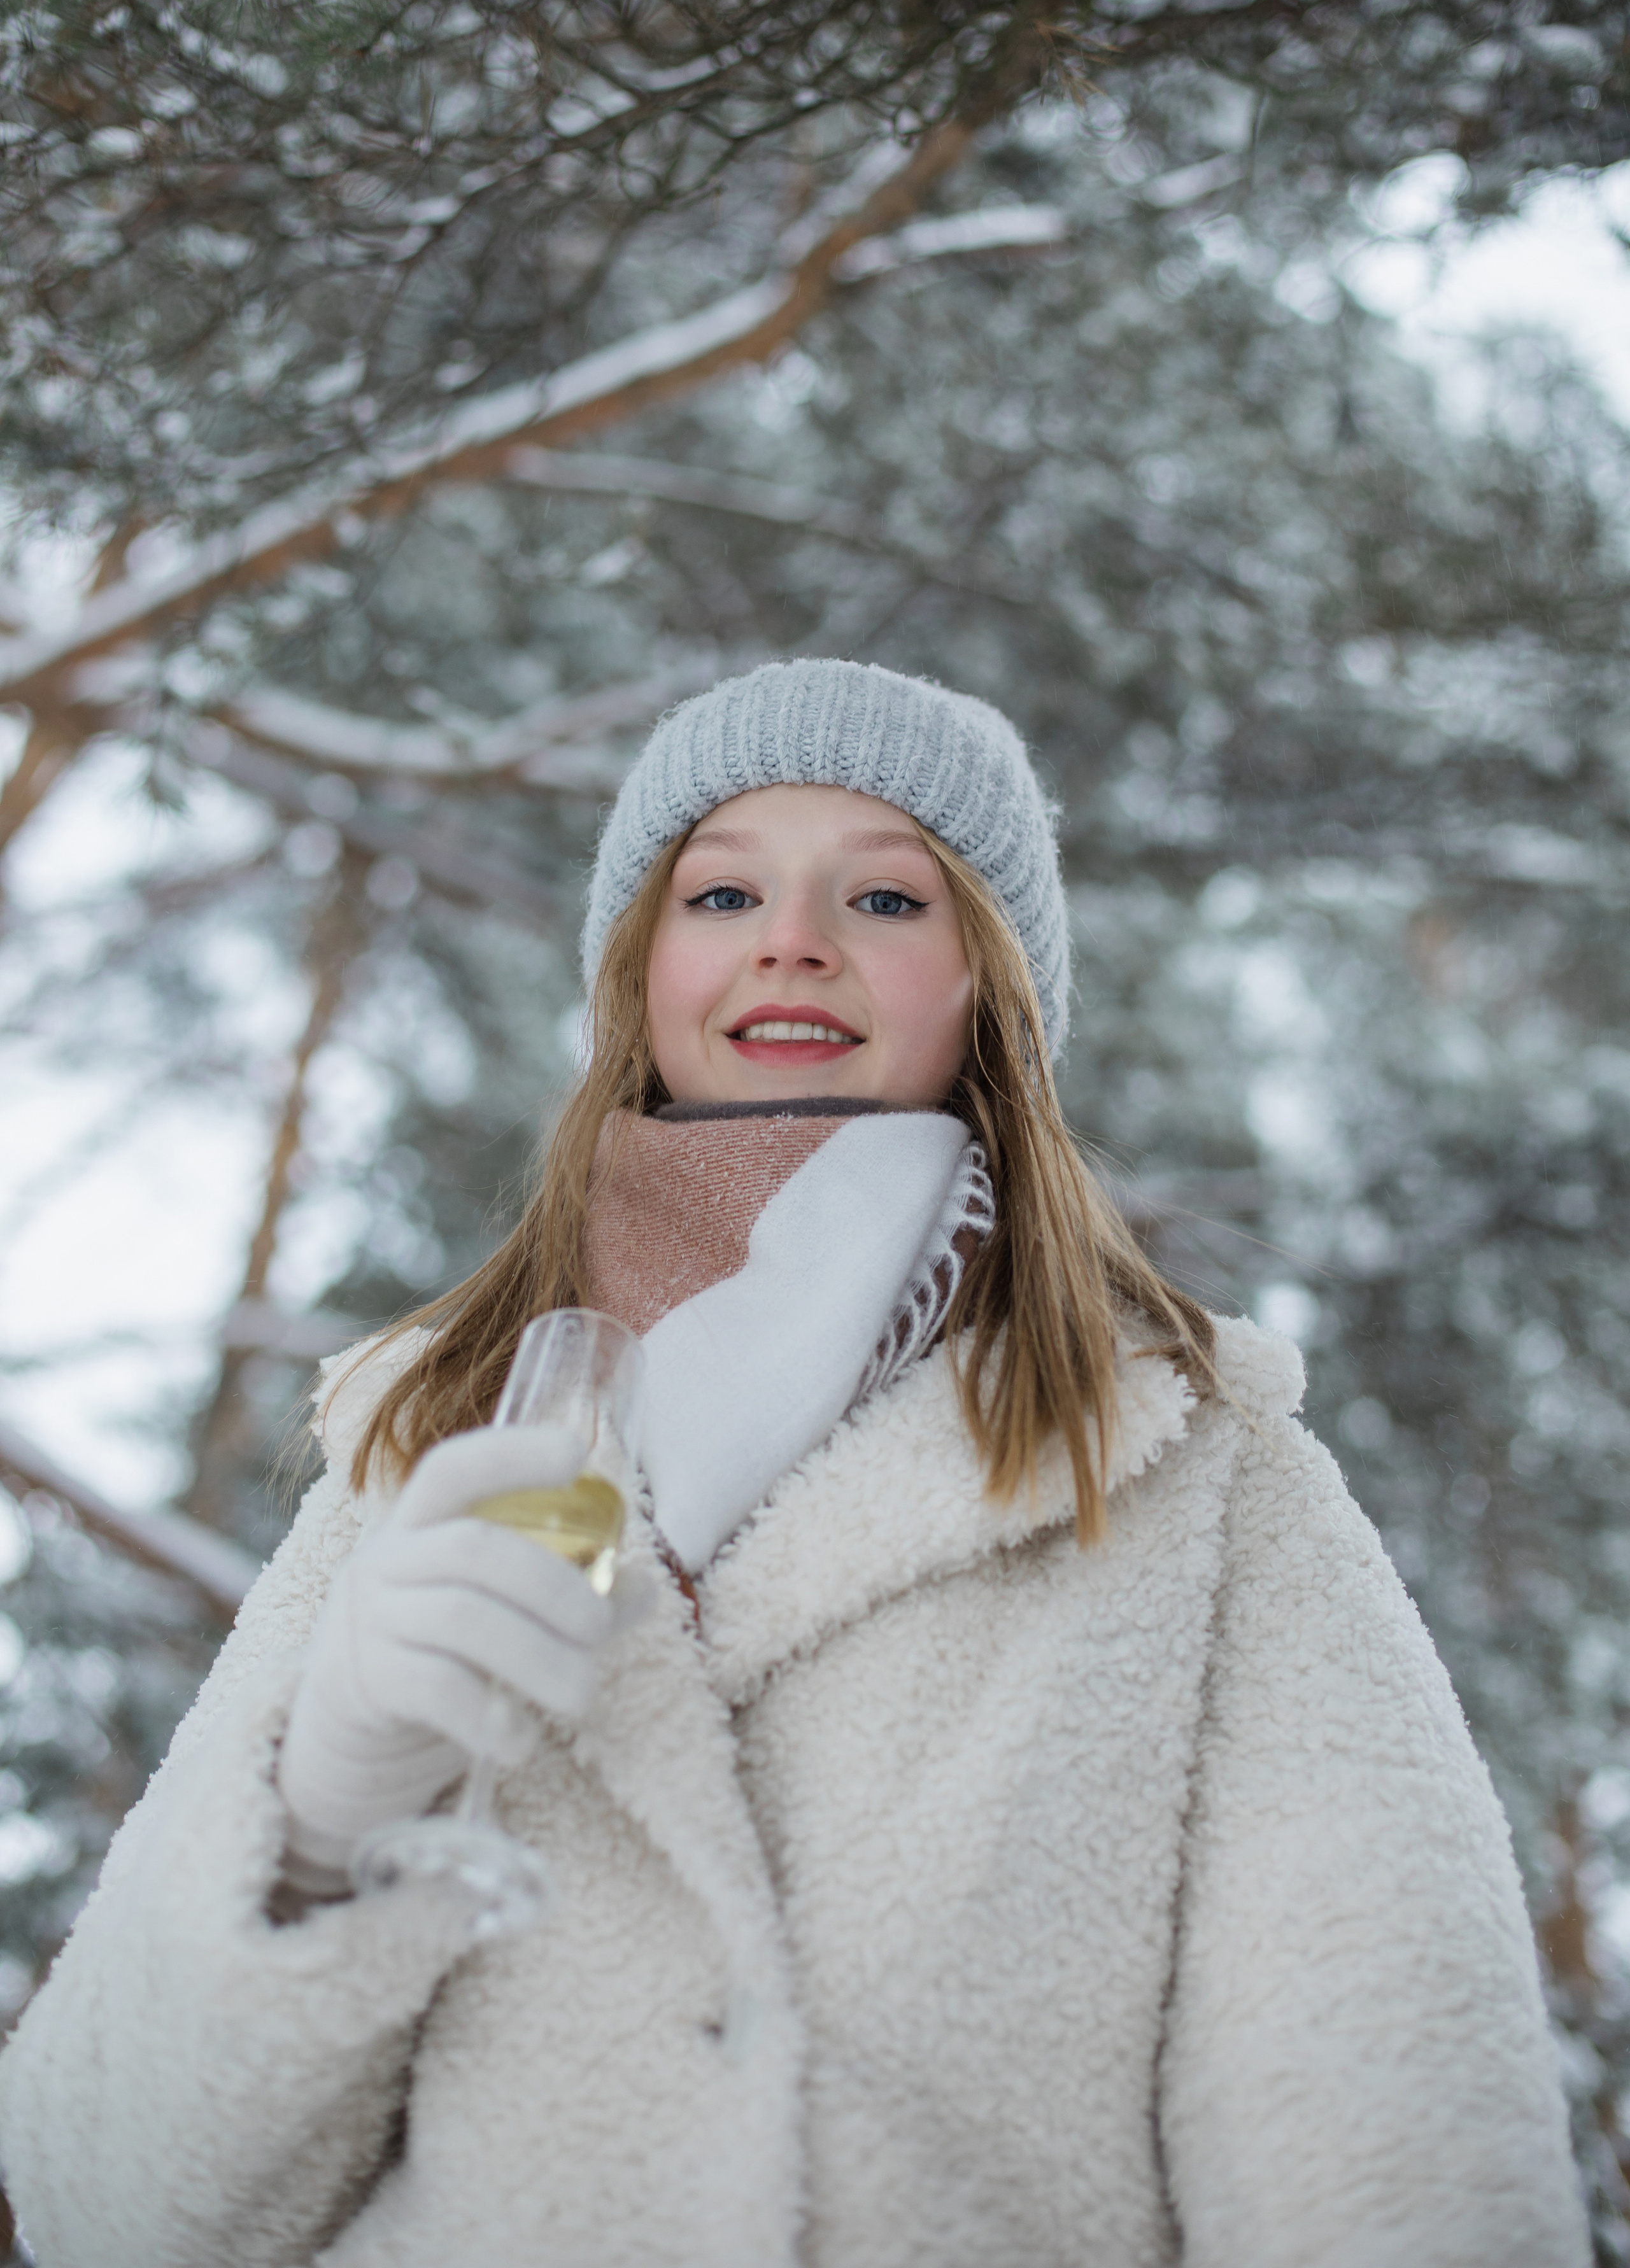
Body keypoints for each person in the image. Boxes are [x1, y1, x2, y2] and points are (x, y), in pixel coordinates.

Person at [0, 659, 1587, 2267]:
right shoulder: (435, 1443)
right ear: (640, 973)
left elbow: (1388, 2111)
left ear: (989, 988)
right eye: (724, 889)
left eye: (885, 897)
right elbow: (102, 2201)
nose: (791, 937)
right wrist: (319, 1826)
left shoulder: (1195, 1470)